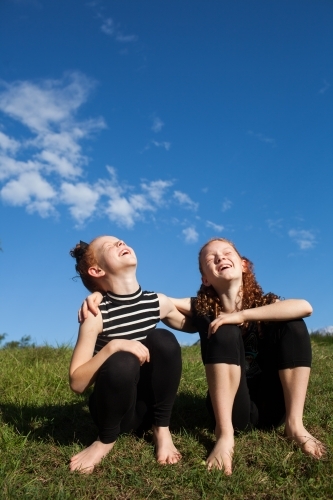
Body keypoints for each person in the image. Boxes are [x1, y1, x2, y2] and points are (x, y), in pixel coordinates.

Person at [82, 237, 325, 475]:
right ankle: (224, 434)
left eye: (228, 253)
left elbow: (304, 306)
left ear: (243, 264)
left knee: (293, 324)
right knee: (222, 328)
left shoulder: (267, 303)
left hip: (274, 406)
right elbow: (152, 302)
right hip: (235, 411)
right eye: (211, 258)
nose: (220, 257)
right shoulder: (205, 311)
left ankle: (295, 425)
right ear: (205, 278)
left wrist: (240, 316)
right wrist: (100, 293)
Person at [69, 235, 194, 474]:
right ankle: (105, 441)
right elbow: (76, 382)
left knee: (163, 339)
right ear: (96, 270)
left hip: (149, 408)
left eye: (121, 241)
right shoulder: (96, 313)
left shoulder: (157, 302)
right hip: (115, 414)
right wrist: (112, 346)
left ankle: (162, 429)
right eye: (110, 246)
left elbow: (197, 322)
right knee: (122, 359)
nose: (120, 244)